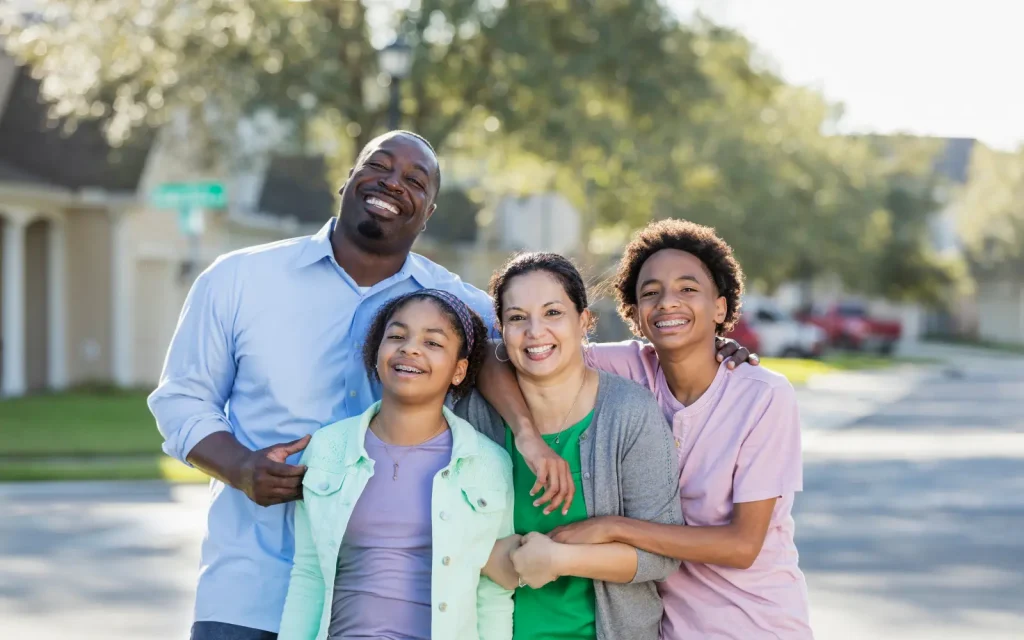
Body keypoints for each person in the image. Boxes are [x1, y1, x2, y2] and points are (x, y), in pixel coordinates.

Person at [147, 131, 573, 640]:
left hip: (388, 606)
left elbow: (506, 355)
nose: (392, 183)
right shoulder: (237, 280)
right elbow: (181, 400)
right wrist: (240, 468)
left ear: (429, 210)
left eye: (414, 180)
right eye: (379, 166)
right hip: (251, 587)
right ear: (349, 179)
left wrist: (525, 433)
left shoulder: (457, 306)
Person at [480, 220, 812, 638]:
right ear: (634, 313)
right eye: (651, 293)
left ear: (722, 308)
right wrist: (527, 435)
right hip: (667, 625)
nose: (668, 302)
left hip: (754, 621)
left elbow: (743, 546)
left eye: (688, 289)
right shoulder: (630, 366)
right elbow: (500, 355)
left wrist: (613, 526)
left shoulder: (763, 396)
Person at [456, 252, 683, 640]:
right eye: (517, 317)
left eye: (553, 313)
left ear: (585, 320)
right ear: (501, 328)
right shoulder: (470, 416)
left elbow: (662, 554)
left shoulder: (628, 412)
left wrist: (560, 559)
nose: (535, 331)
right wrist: (479, 556)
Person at [278, 290, 513, 640]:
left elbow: (492, 590)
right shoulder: (328, 449)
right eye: (397, 337)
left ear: (459, 370)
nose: (410, 349)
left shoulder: (489, 463)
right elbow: (309, 573)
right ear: (377, 354)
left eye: (433, 343)